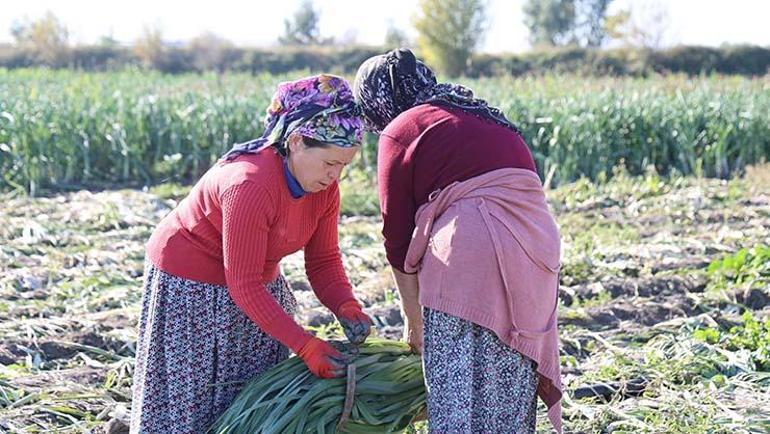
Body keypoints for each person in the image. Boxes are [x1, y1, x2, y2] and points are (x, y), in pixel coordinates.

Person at [130, 74, 373, 434]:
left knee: (250, 400)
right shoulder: (250, 184)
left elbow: (323, 261)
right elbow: (243, 284)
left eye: (343, 166)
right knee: (196, 401)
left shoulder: (324, 190)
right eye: (329, 163)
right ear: (296, 141)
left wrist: (346, 305)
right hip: (191, 284)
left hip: (254, 281)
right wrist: (305, 346)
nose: (334, 175)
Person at [353, 49, 563, 433]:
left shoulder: (402, 128)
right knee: (508, 385)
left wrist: (414, 322)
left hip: (471, 251)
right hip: (537, 254)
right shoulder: (482, 114)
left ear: (377, 102)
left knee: (457, 390)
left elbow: (397, 240)